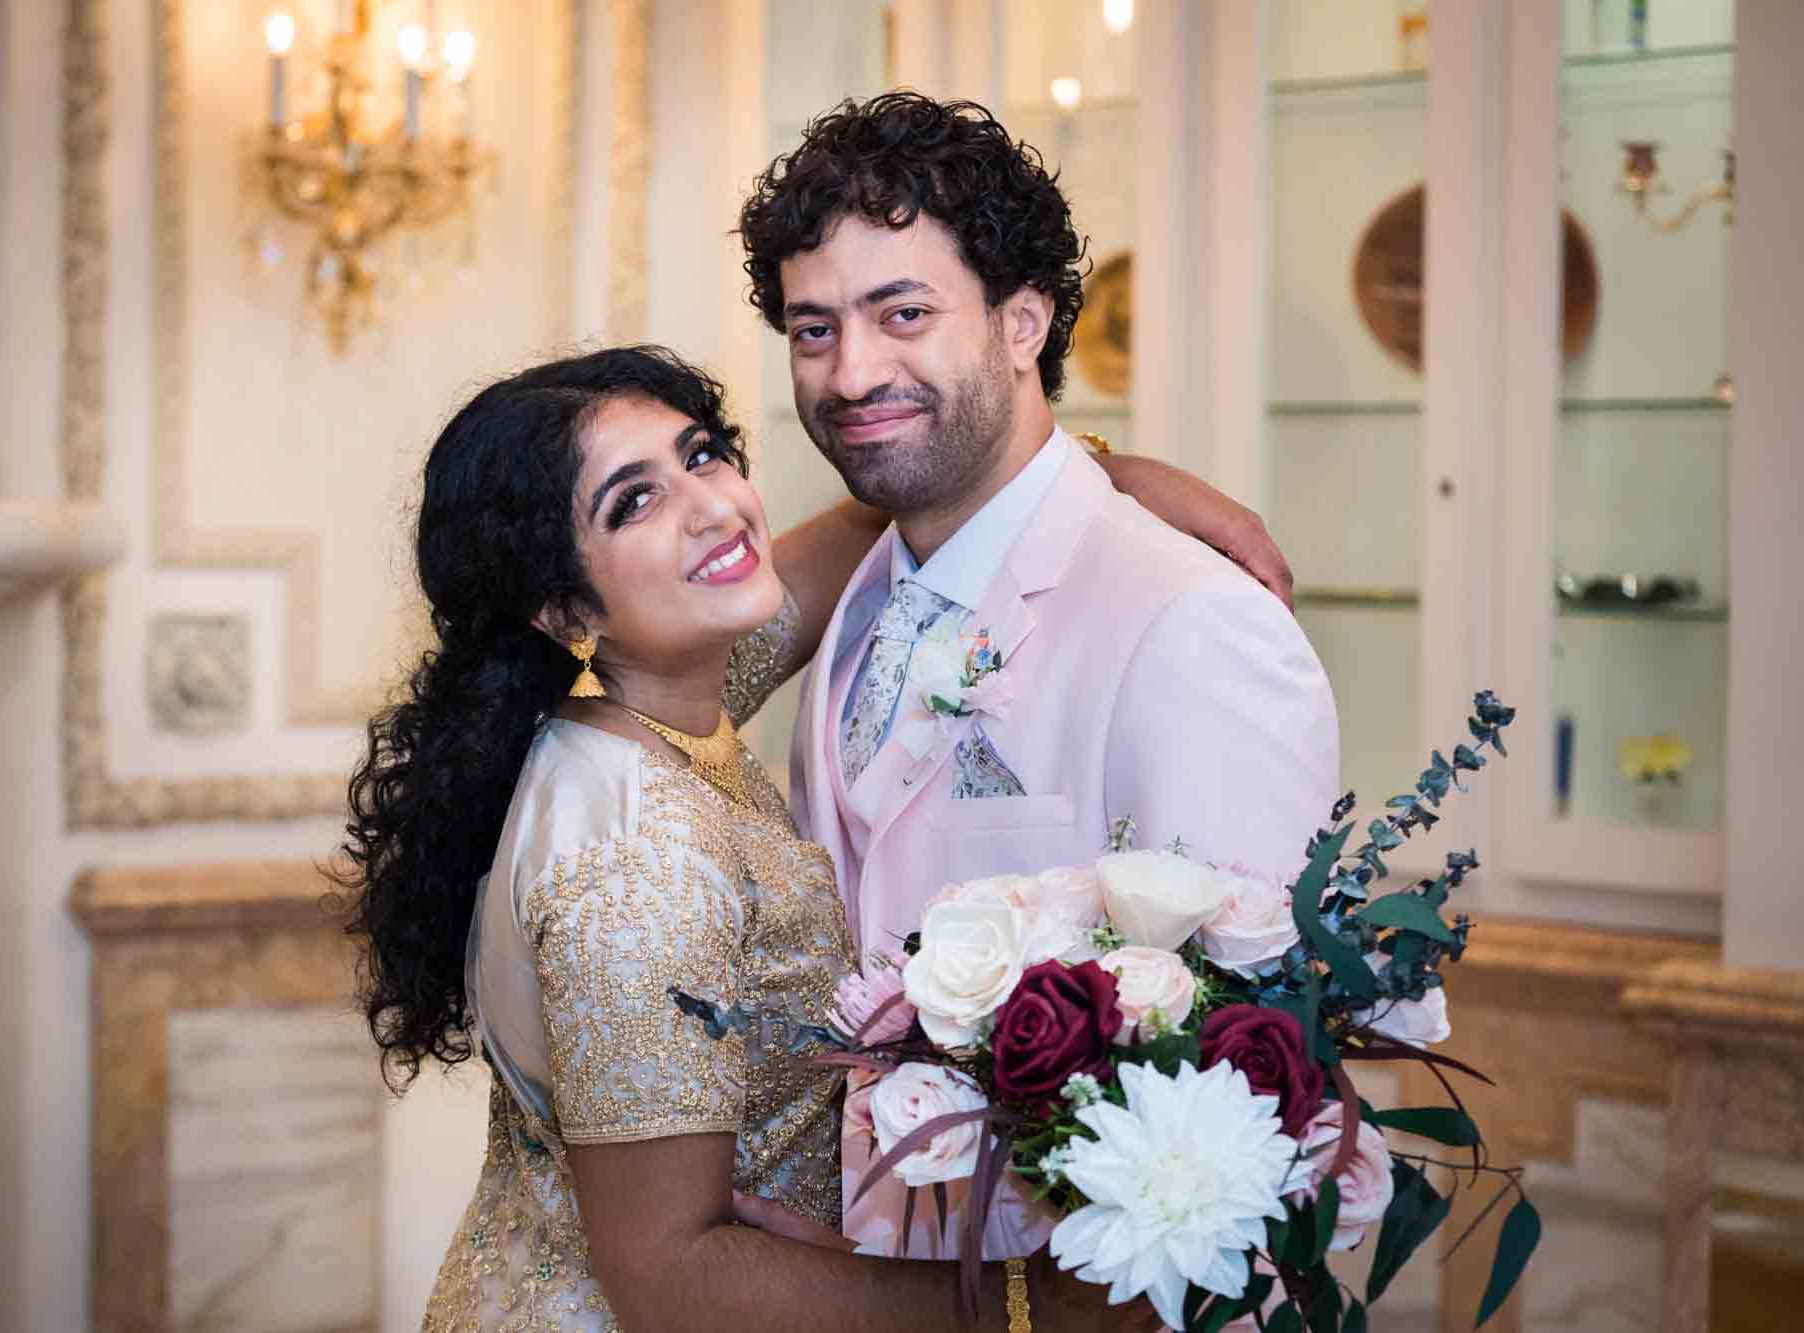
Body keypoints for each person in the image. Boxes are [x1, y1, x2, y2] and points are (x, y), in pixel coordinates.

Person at [344, 346, 1248, 1331]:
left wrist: (1100, 480)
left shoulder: (655, 705)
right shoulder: (643, 856)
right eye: (631, 504)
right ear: (563, 607)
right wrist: (1027, 1305)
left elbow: (881, 507)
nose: (711, 509)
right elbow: (670, 1278)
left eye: (700, 455)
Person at [732, 93, 1341, 1258]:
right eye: (813, 331)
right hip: (852, 1271)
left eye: (900, 312)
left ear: (1024, 322)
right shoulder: (844, 601)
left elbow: (1259, 1122)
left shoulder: (1192, 624)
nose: (852, 372)